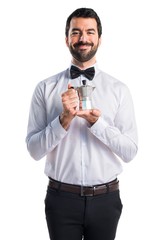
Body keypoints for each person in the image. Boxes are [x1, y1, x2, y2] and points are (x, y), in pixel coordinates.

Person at [26, 7, 138, 240]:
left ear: (99, 38)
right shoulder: (45, 88)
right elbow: (34, 150)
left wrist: (98, 124)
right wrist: (63, 120)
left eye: (90, 32)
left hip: (106, 200)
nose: (83, 39)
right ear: (66, 38)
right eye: (76, 32)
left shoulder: (119, 90)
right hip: (60, 200)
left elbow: (130, 151)